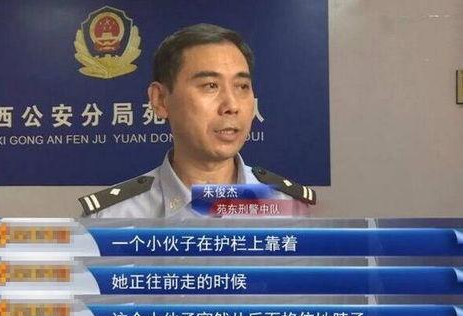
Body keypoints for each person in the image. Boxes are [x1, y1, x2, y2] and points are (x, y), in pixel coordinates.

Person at [79, 23, 315, 218]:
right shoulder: (111, 218)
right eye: (210, 85)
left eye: (242, 86)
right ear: (160, 100)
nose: (232, 106)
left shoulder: (289, 210)